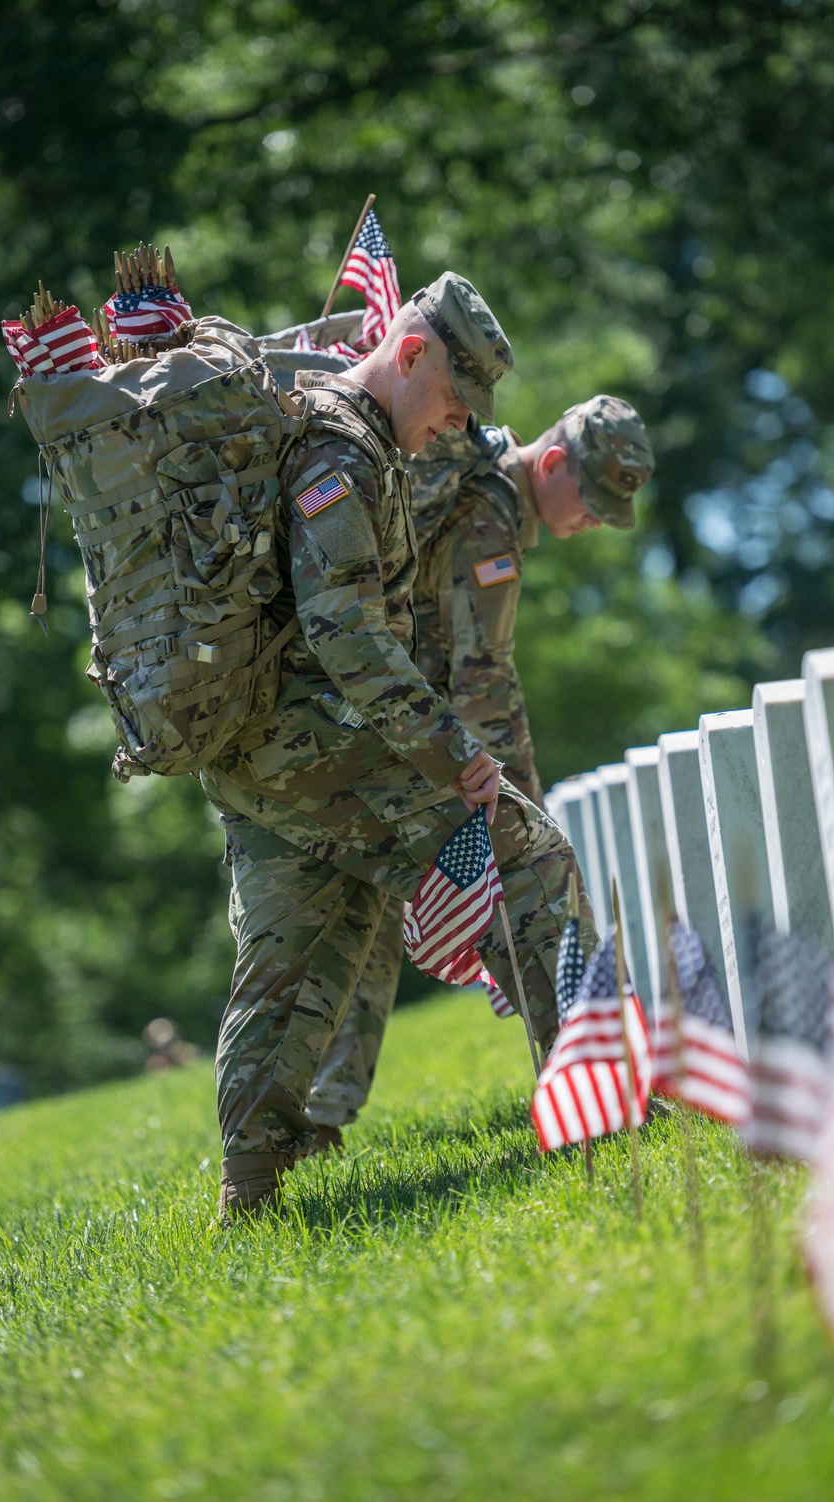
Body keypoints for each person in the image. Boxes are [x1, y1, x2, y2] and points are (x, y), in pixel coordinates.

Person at [198, 273, 600, 1220]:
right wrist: (448, 747)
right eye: (454, 401)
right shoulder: (344, 448)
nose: (458, 426)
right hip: (322, 746)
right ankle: (598, 1099)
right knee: (532, 857)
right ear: (410, 353)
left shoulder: (350, 438)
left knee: (299, 960)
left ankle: (253, 1192)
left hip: (256, 758)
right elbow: (344, 629)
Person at [306, 395, 655, 1147]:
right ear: (552, 462)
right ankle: (590, 1085)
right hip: (407, 732)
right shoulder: (491, 516)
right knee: (530, 885)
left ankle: (316, 1120)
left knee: (361, 923)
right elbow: (483, 684)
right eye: (591, 500)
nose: (592, 520)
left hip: (359, 724)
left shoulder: (479, 487)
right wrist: (525, 806)